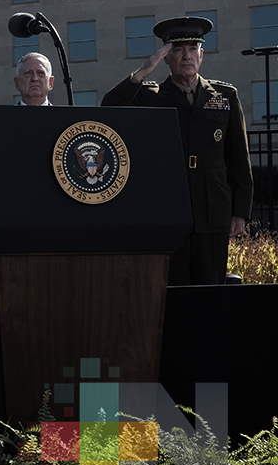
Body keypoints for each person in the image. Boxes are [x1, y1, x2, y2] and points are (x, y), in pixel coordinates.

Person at [102, 16, 253, 285]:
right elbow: (110, 106)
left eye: (193, 49)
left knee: (211, 288)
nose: (187, 56)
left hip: (212, 209)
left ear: (202, 55)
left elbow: (239, 157)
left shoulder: (224, 96)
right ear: (166, 57)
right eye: (178, 50)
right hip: (169, 208)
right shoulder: (150, 95)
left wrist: (240, 211)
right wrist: (142, 72)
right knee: (173, 290)